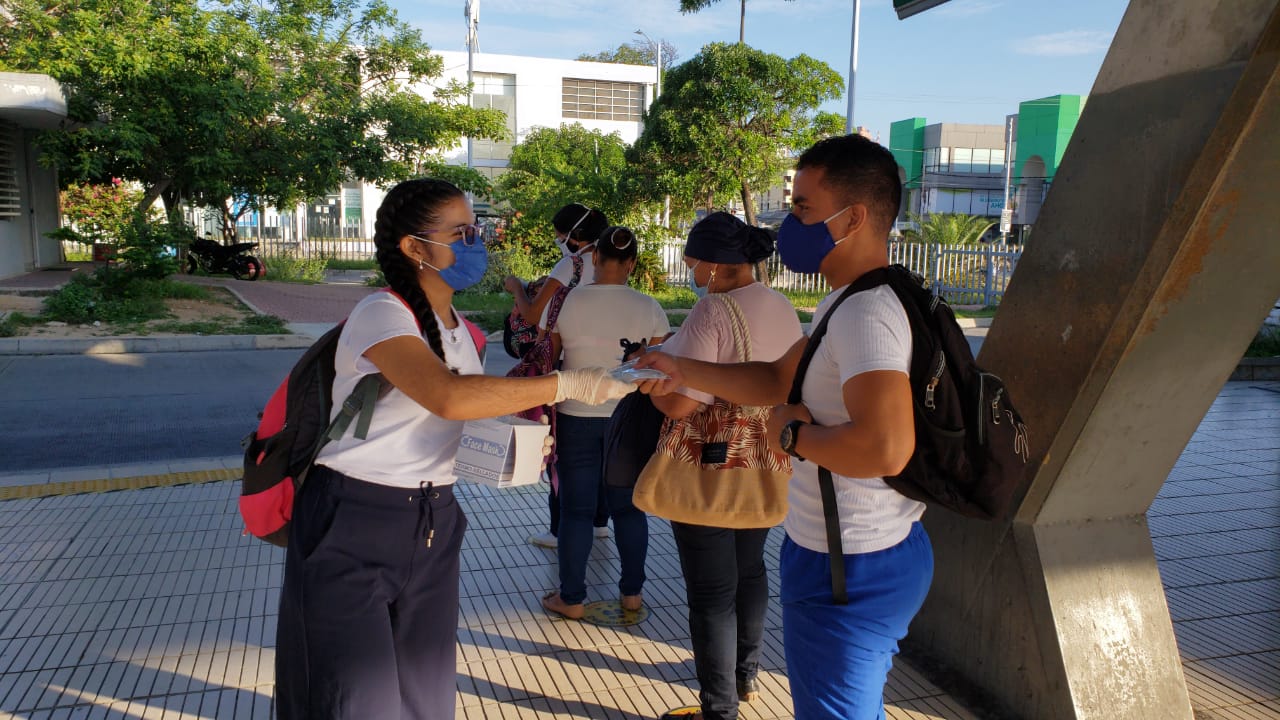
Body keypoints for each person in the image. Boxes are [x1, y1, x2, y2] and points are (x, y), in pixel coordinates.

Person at [274, 178, 636, 720]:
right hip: (352, 518)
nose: (476, 242)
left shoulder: (459, 329)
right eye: (461, 232)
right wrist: (569, 385)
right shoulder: (383, 314)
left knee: (426, 692)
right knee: (354, 696)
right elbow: (445, 395)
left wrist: (512, 444)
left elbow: (456, 414)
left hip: (433, 520)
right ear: (414, 248)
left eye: (477, 229)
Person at [636, 135, 934, 720]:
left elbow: (886, 447)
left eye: (801, 207)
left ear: (853, 217)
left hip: (851, 560)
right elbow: (776, 380)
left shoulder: (867, 313)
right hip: (845, 547)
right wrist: (681, 365)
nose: (788, 221)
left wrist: (791, 436)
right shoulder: (849, 301)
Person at [650, 212, 803, 720]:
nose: (690, 270)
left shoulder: (712, 311)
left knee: (711, 592)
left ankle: (719, 709)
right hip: (766, 454)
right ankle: (747, 676)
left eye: (693, 261)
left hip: (712, 462)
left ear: (716, 266)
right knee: (750, 567)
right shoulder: (781, 304)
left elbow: (680, 405)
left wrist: (646, 385)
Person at [540, 225, 670, 620]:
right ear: (632, 263)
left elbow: (552, 353)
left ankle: (572, 598)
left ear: (595, 259)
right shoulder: (649, 306)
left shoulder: (566, 303)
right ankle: (632, 595)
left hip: (575, 413)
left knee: (576, 511)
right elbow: (659, 365)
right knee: (630, 510)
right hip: (629, 419)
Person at [504, 202, 612, 549]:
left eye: (561, 235)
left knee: (562, 455)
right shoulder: (611, 264)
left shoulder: (572, 263)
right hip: (607, 370)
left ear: (575, 235)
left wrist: (517, 288)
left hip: (567, 366)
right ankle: (599, 523)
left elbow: (535, 313)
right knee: (602, 454)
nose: (560, 241)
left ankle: (557, 529)